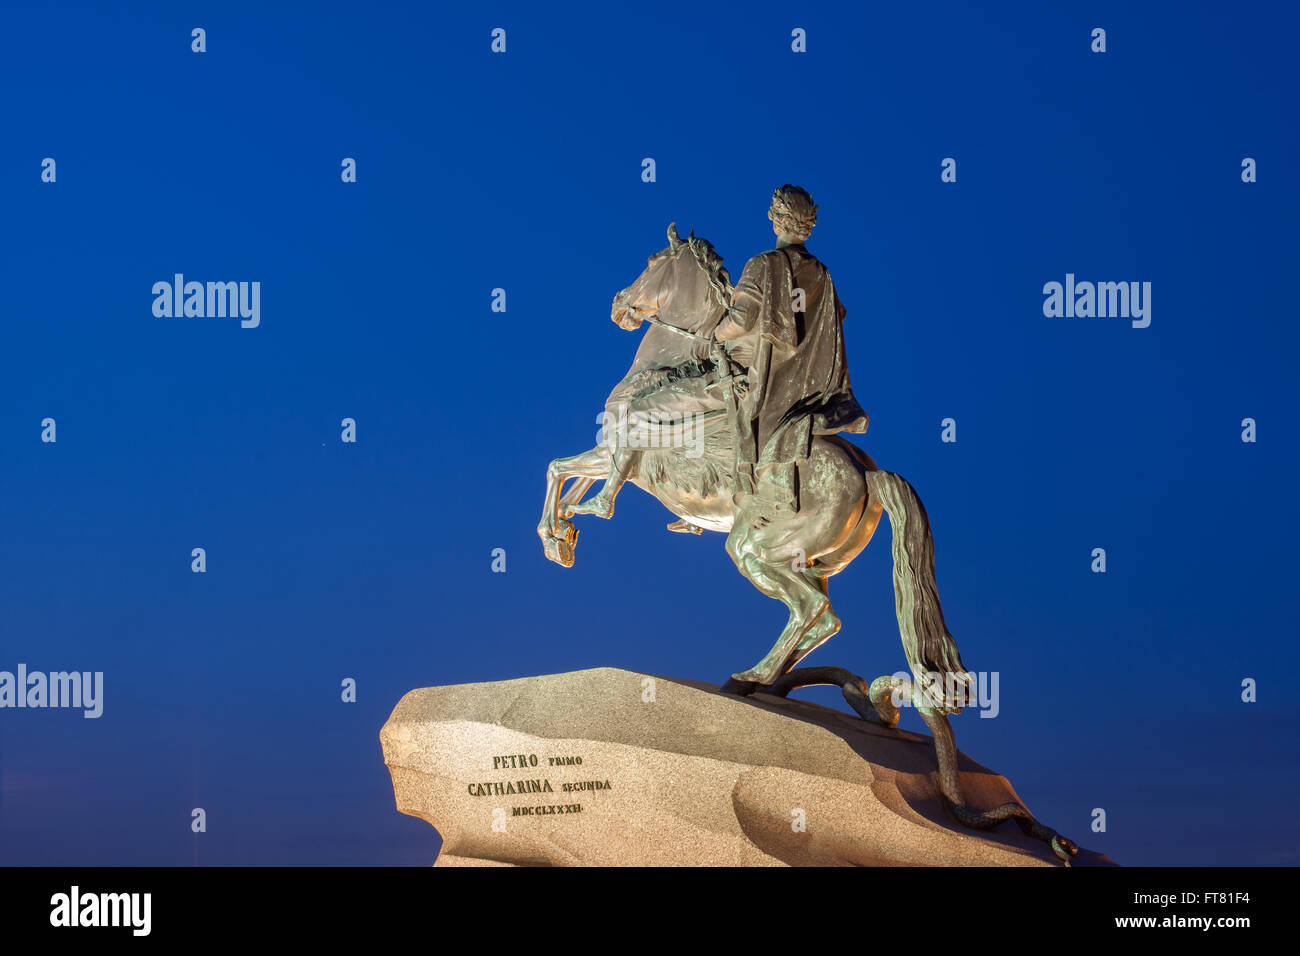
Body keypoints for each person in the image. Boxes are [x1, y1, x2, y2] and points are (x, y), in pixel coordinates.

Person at [712, 184, 868, 516]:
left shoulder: (764, 264)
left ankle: (740, 481)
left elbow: (742, 318)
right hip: (815, 387)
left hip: (775, 382)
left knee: (725, 404)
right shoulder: (823, 274)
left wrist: (715, 333)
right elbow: (837, 316)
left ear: (778, 220)